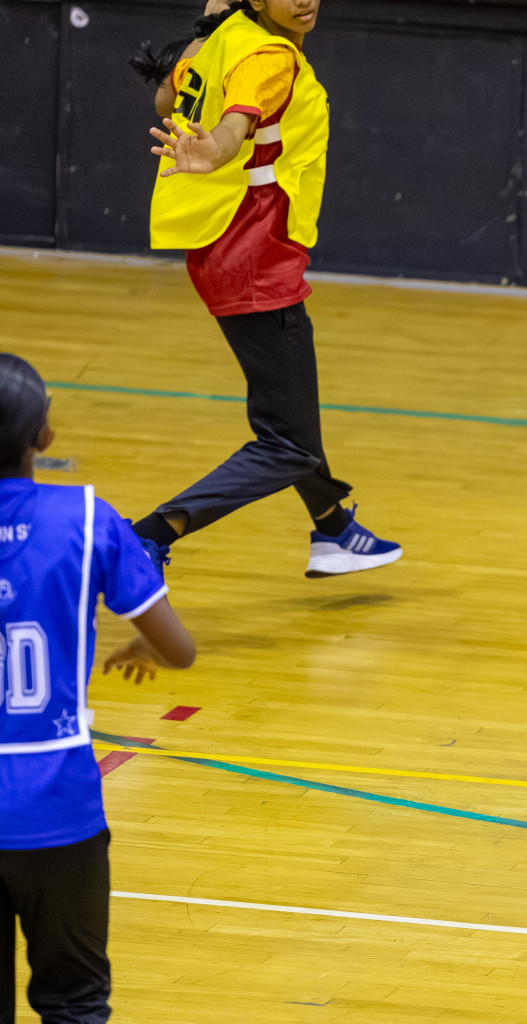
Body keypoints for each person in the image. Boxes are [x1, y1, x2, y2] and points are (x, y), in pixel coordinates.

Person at [130, 0, 401, 579]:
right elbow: (236, 124)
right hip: (256, 263)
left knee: (292, 416)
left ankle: (332, 527)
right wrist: (218, 148)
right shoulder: (269, 56)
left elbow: (165, 100)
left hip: (223, 248)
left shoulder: (226, 37)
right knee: (288, 442)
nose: (305, 0)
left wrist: (203, 52)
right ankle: (151, 534)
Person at [0, 353, 197, 1023]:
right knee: (76, 1005)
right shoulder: (85, 517)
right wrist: (146, 643)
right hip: (59, 811)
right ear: (44, 436)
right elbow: (181, 650)